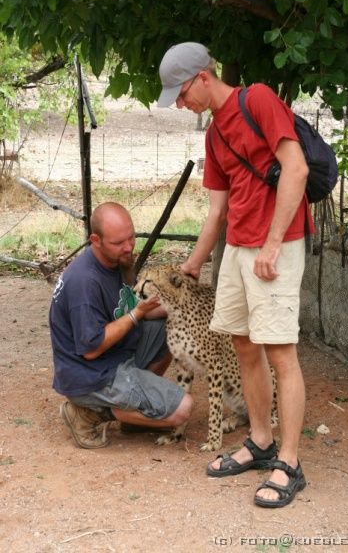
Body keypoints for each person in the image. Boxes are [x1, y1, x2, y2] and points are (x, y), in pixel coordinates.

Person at [157, 42, 313, 508]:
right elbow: (217, 210)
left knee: (280, 352)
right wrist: (195, 262)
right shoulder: (213, 134)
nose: (181, 104)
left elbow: (297, 169)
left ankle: (289, 461)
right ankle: (261, 441)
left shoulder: (259, 100)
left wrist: (270, 244)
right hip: (239, 250)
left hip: (276, 247)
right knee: (243, 344)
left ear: (204, 76)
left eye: (182, 94)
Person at [49, 202, 193, 449]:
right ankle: (89, 414)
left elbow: (137, 306)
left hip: (116, 353)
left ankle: (135, 413)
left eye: (131, 237)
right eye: (118, 243)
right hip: (90, 374)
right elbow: (91, 349)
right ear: (95, 240)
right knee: (183, 410)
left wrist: (182, 303)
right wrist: (137, 314)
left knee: (175, 325)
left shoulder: (116, 260)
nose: (128, 247)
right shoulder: (85, 282)